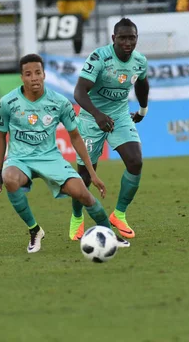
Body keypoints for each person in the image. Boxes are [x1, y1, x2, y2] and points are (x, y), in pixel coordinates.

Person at [0, 53, 131, 253]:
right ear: (22, 77)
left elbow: (75, 136)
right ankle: (35, 230)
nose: (34, 78)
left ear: (44, 75)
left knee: (82, 193)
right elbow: (0, 137)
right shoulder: (8, 102)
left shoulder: (60, 102)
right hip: (20, 159)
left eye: (38, 73)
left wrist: (92, 173)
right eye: (28, 74)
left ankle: (108, 233)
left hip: (51, 158)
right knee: (9, 178)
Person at [70, 18, 149, 241]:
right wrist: (97, 115)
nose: (127, 42)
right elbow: (79, 92)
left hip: (120, 116)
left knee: (136, 161)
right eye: (122, 38)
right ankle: (77, 217)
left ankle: (119, 214)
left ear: (136, 39)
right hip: (90, 117)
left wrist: (142, 110)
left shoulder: (140, 61)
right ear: (114, 39)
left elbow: (142, 84)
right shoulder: (99, 58)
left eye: (131, 38)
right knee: (84, 176)